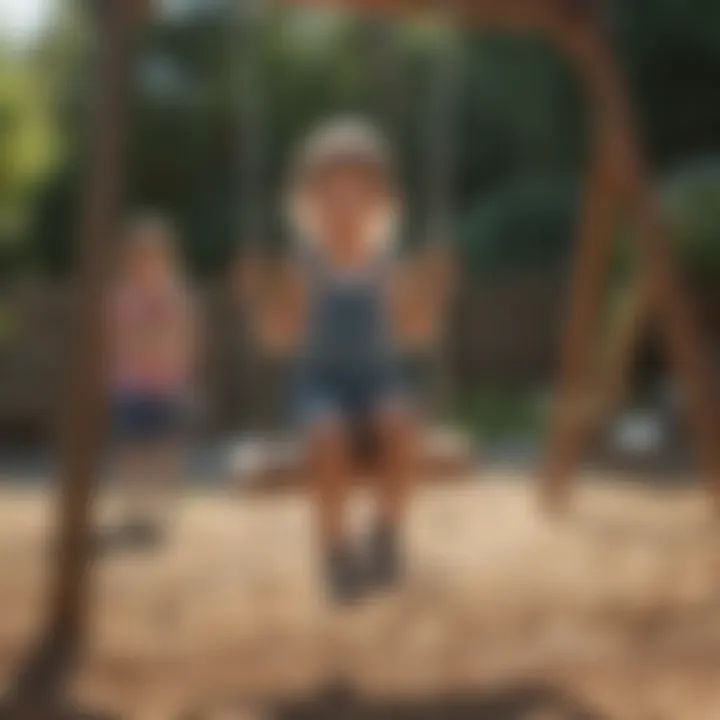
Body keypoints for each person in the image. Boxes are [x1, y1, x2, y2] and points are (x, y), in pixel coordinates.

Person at [239, 118, 454, 604]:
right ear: (308, 204)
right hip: (320, 384)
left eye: (358, 193)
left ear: (381, 203)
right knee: (328, 437)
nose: (345, 205)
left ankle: (387, 533)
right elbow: (279, 340)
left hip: (379, 380)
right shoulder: (304, 266)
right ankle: (335, 549)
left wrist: (431, 298)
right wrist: (260, 303)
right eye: (331, 194)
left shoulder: (387, 264)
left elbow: (415, 333)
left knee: (402, 425)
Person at [108, 214, 198, 543]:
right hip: (131, 385)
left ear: (166, 259)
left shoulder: (175, 296)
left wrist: (181, 368)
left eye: (153, 257)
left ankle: (159, 511)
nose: (146, 264)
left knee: (163, 448)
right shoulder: (123, 298)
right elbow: (120, 339)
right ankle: (135, 509)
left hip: (166, 385)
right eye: (139, 257)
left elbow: (184, 338)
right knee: (132, 448)